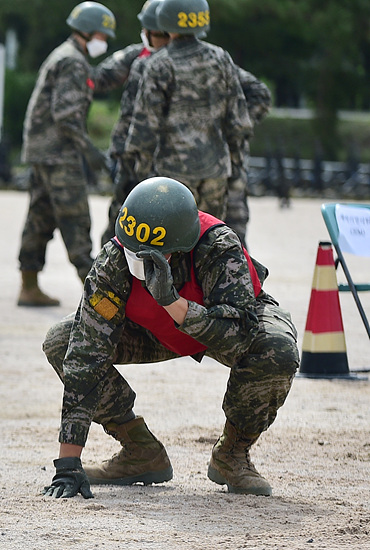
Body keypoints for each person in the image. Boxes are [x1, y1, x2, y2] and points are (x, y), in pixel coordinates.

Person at [41, 177, 299, 499]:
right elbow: (85, 355)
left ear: (179, 249)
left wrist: (174, 304)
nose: (136, 261)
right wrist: (68, 462)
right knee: (62, 341)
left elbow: (239, 336)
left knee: (276, 347)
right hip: (154, 331)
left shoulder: (217, 247)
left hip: (218, 324)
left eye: (150, 256)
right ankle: (140, 451)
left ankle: (232, 454)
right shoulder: (114, 259)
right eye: (132, 251)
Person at [17, 1, 118, 307]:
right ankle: (100, 298)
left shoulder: (63, 54)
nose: (105, 41)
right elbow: (66, 115)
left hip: (42, 152)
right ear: (88, 31)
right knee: (75, 220)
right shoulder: (73, 61)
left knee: (40, 217)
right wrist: (90, 152)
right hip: (59, 152)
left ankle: (28, 286)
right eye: (102, 35)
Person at [122, 0, 252, 220]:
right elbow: (238, 121)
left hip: (173, 176)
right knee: (210, 237)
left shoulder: (160, 64)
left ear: (165, 22)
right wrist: (234, 165)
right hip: (215, 172)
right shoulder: (221, 58)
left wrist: (142, 173)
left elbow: (145, 128)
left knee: (175, 241)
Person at [100, 0, 171, 247]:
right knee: (120, 221)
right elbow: (99, 77)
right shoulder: (137, 56)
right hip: (129, 155)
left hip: (162, 158)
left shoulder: (181, 63)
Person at [224, 67, 272, 248]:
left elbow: (261, 94)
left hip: (229, 167)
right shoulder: (143, 59)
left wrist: (235, 128)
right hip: (178, 172)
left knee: (234, 235)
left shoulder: (217, 60)